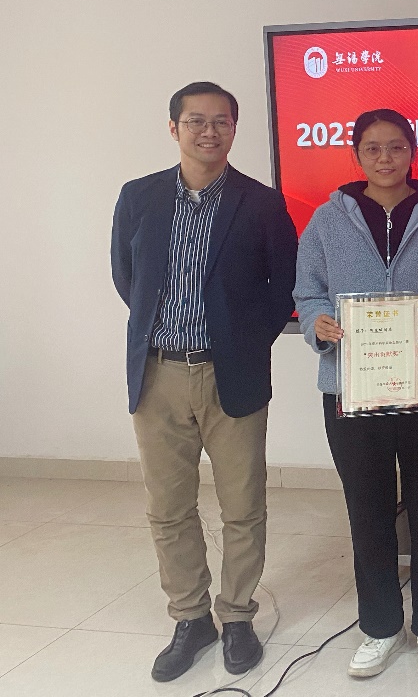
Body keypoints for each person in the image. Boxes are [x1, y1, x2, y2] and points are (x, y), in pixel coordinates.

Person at [110, 81, 298, 682]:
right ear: (174, 128)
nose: (209, 132)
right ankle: (190, 617)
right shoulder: (138, 197)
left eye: (221, 121)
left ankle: (237, 615)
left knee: (243, 504)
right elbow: (126, 277)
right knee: (168, 507)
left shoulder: (262, 203)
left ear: (234, 129)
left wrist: (243, 344)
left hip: (230, 374)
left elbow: (283, 288)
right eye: (196, 121)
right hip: (158, 372)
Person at [293, 108, 418, 679]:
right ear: (356, 155)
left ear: (412, 152)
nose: (385, 158)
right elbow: (308, 290)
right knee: (367, 510)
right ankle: (378, 626)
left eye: (396, 146)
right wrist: (317, 322)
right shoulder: (327, 220)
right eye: (372, 148)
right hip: (353, 386)